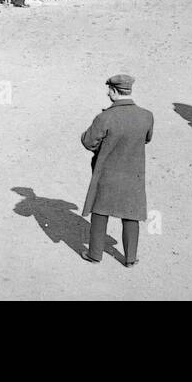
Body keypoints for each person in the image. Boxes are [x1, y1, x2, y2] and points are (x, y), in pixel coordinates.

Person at [80, 74, 154, 267]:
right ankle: (130, 258)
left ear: (114, 92)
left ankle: (94, 255)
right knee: (131, 213)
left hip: (107, 172)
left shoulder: (105, 117)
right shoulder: (147, 116)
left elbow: (89, 142)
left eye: (109, 90)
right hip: (133, 173)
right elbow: (147, 138)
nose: (107, 92)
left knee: (100, 210)